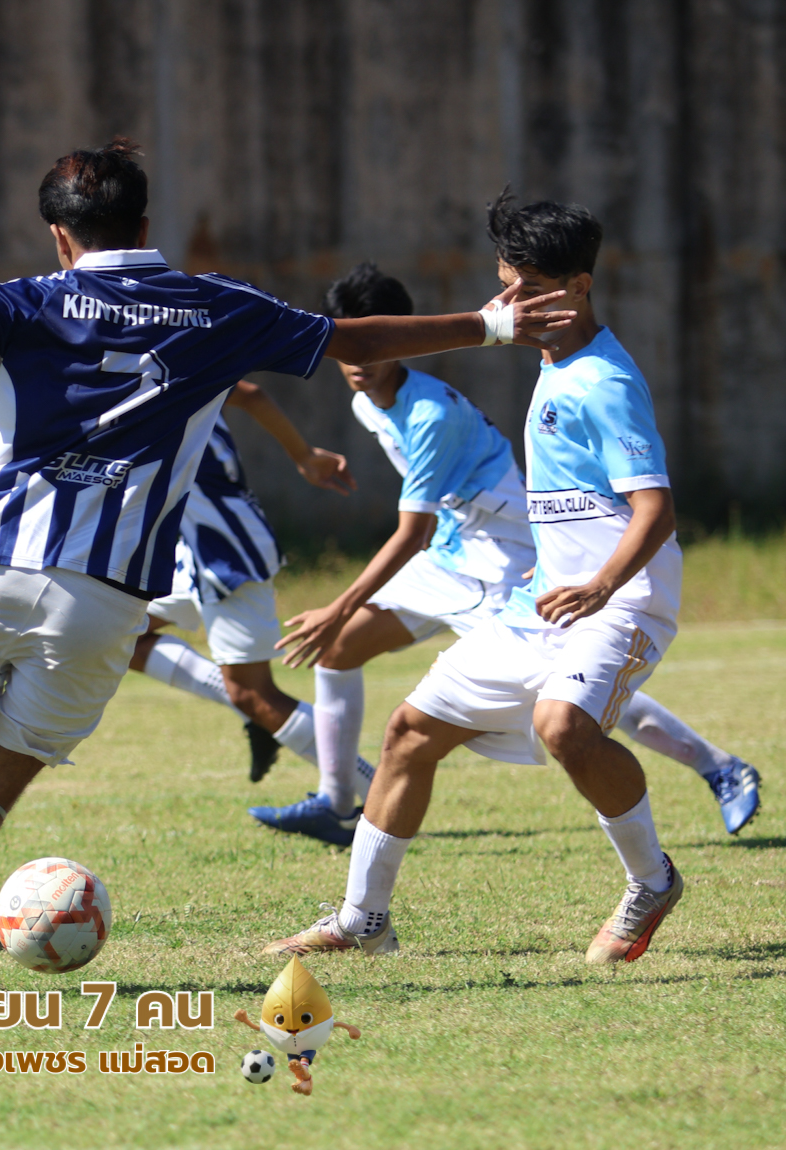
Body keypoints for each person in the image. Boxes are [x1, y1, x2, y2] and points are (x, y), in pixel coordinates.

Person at [0, 141, 577, 994]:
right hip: (99, 596)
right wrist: (491, 325)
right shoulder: (216, 306)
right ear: (145, 224)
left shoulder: (29, 298)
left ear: (59, 235)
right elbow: (349, 338)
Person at [267, 195, 689, 963]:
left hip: (622, 598)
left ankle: (652, 881)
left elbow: (655, 509)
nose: (511, 303)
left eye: (531, 289)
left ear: (580, 287)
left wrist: (599, 586)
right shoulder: (551, 363)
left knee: (562, 727)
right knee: (409, 733)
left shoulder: (603, 381)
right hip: (543, 600)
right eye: (505, 285)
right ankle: (362, 921)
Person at [263, 262, 759, 845]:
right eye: (350, 343)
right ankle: (339, 799)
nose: (358, 360)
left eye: (373, 341)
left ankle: (719, 766)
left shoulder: (431, 415)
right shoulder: (367, 404)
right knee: (339, 651)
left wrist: (338, 605)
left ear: (400, 339)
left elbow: (410, 533)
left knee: (572, 697)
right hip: (452, 554)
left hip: (502, 559)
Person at [130, 381, 358, 788]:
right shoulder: (156, 365)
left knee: (256, 695)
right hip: (195, 551)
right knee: (119, 634)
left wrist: (304, 456)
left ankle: (368, 794)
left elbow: (250, 392)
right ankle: (254, 717)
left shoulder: (150, 370)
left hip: (226, 548)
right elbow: (249, 394)